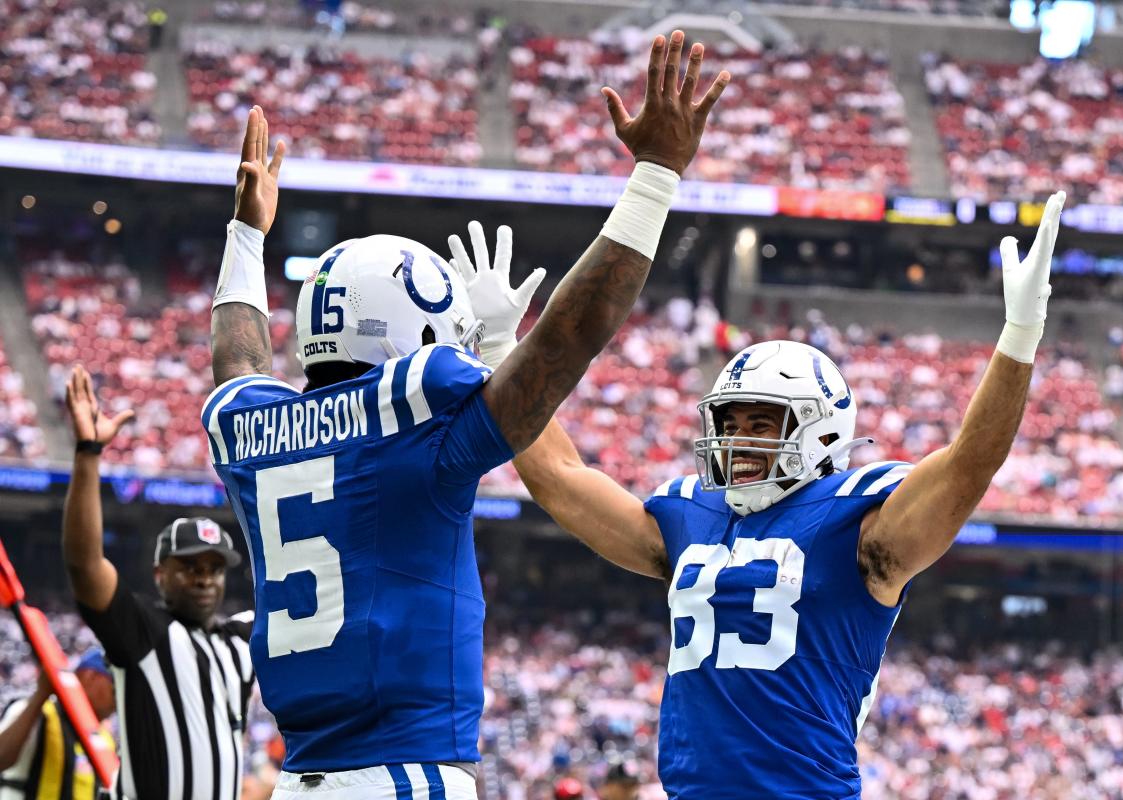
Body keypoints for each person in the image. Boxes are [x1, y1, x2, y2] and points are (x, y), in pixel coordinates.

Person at [201, 30, 729, 800]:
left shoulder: (256, 430)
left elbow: (239, 360)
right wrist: (654, 178)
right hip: (403, 775)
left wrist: (245, 236)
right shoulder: (416, 416)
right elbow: (571, 338)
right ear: (415, 335)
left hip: (297, 778)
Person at [471, 193, 1068, 798]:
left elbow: (969, 463)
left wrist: (1019, 335)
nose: (738, 440)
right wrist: (501, 355)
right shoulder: (689, 515)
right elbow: (562, 481)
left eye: (763, 425)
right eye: (729, 423)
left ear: (824, 433)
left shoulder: (860, 526)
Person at [62, 365, 256, 800]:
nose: (204, 578)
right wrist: (88, 453)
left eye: (213, 568)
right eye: (190, 567)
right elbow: (84, 565)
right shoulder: (143, 630)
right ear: (159, 575)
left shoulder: (238, 641)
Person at [0, 649, 116, 800]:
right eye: (114, 689)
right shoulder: (38, 712)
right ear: (91, 677)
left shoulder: (104, 737)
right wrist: (40, 697)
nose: (119, 699)